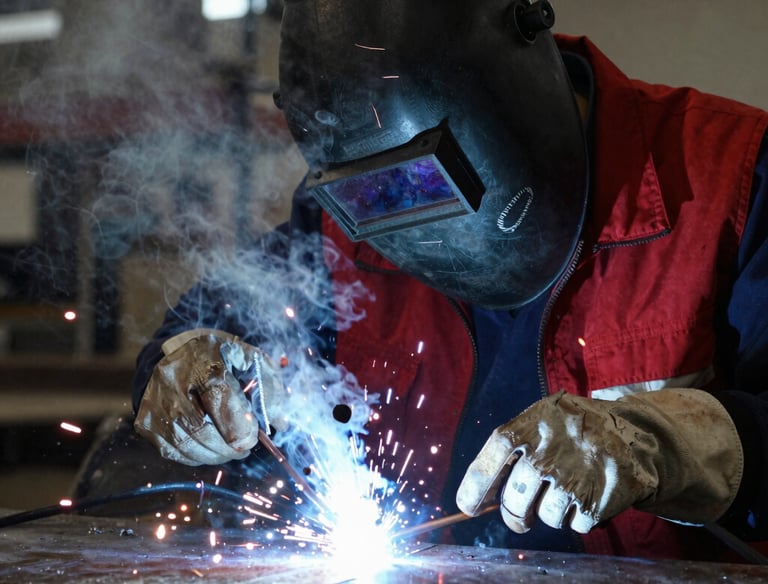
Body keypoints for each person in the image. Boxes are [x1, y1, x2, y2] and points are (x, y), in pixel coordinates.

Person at [131, 0, 768, 562]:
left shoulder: (733, 178)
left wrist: (667, 445)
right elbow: (213, 322)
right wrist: (185, 375)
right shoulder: (353, 208)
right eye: (382, 189)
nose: (405, 210)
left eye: (428, 176)